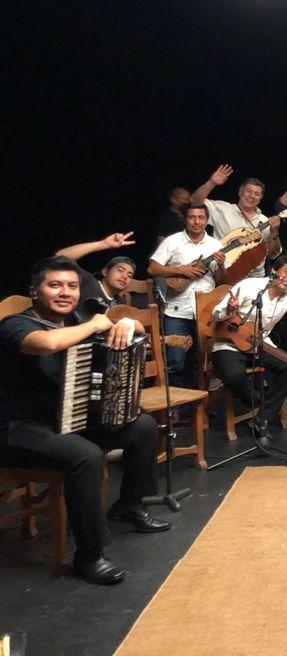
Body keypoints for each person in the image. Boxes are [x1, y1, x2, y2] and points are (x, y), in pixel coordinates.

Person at [0, 257, 167, 585]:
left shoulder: (76, 320)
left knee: (143, 427)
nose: (66, 292)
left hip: (71, 419)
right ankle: (90, 555)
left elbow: (135, 327)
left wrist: (125, 323)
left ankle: (130, 506)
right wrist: (95, 325)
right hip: (20, 428)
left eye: (72, 286)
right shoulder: (14, 325)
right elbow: (47, 344)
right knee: (86, 455)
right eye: (55, 285)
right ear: (34, 291)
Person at [209, 255, 287, 440]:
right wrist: (229, 309)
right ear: (274, 271)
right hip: (229, 344)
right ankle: (260, 402)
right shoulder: (250, 285)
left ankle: (262, 419)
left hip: (259, 345)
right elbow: (216, 314)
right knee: (234, 375)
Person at [147, 204, 225, 388]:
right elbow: (152, 268)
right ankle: (175, 404)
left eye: (201, 217)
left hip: (205, 311)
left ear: (207, 220)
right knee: (175, 363)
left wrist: (221, 265)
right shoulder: (172, 241)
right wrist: (180, 270)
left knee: (199, 363)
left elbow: (221, 281)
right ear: (185, 220)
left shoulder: (216, 245)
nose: (197, 221)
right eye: (192, 217)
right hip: (177, 311)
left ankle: (197, 402)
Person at [189, 163, 282, 277]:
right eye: (249, 191)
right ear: (240, 192)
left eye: (257, 194)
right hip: (222, 274)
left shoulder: (266, 221)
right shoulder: (223, 209)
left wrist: (274, 232)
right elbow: (194, 202)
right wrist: (212, 182)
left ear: (260, 198)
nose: (252, 196)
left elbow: (273, 254)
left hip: (253, 278)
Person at [56, 232, 138, 317]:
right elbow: (60, 258)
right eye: (120, 270)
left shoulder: (120, 302)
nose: (125, 276)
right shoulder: (87, 282)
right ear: (105, 271)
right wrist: (104, 244)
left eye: (130, 275)